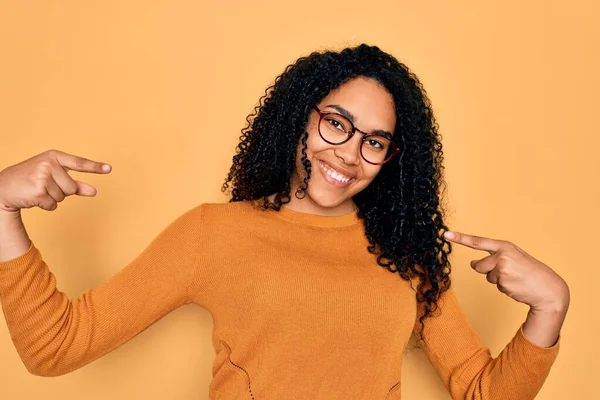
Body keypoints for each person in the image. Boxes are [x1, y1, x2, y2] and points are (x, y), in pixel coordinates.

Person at [0, 44, 569, 399]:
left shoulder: (406, 250)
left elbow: (483, 392)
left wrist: (550, 307)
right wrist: (2, 211)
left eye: (375, 141)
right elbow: (56, 347)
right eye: (336, 125)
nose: (349, 154)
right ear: (300, 118)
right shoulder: (213, 235)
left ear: (393, 157)